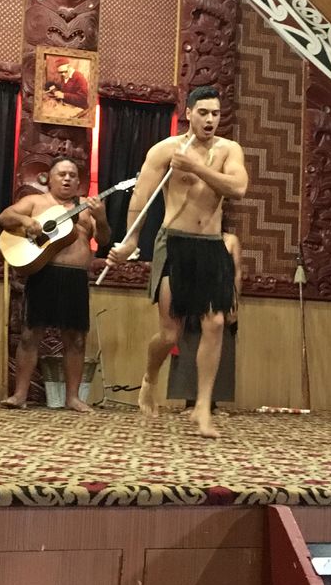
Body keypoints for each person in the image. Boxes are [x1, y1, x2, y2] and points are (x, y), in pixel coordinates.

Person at [106, 86, 247, 439]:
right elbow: (141, 198)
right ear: (189, 113)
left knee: (215, 323)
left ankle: (202, 406)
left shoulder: (229, 150)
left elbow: (238, 188)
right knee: (171, 331)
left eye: (215, 113)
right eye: (204, 113)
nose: (210, 120)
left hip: (211, 244)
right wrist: (131, 242)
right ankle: (149, 377)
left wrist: (196, 167)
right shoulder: (165, 150)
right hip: (174, 243)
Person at [0, 156, 109, 413]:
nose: (67, 178)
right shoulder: (35, 201)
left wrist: (102, 218)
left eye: (72, 175)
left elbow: (103, 239)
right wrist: (27, 221)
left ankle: (73, 398)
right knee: (30, 335)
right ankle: (20, 395)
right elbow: (5, 217)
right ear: (50, 178)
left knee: (76, 339)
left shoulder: (86, 207)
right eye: (62, 174)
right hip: (44, 272)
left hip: (75, 278)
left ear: (79, 182)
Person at [171, 228, 242, 415]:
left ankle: (213, 403)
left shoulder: (231, 240)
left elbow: (237, 274)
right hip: (193, 297)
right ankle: (190, 402)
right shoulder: (190, 236)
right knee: (190, 347)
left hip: (221, 298)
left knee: (220, 349)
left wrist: (234, 303)